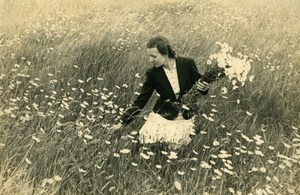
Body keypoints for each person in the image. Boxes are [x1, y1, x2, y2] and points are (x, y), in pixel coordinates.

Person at [112, 35, 209, 149]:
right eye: (149, 56)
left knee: (174, 147)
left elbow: (200, 86)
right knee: (146, 142)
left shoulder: (187, 63)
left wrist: (204, 88)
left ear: (166, 53)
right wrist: (122, 122)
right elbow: (140, 101)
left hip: (184, 117)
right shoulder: (152, 73)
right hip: (162, 115)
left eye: (154, 56)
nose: (150, 60)